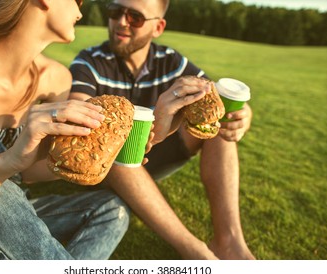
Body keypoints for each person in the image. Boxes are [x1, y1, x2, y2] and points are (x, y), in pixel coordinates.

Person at [0, 0, 130, 260]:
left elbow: (29, 172)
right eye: (78, 1)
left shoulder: (56, 78)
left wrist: (106, 151)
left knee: (111, 209)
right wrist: (9, 160)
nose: (80, 10)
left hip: (13, 208)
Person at [69, 0, 255, 259]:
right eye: (115, 12)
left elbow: (212, 100)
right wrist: (158, 119)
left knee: (216, 124)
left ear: (158, 27)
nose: (121, 21)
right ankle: (195, 250)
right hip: (109, 169)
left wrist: (242, 115)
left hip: (155, 152)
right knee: (116, 145)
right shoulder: (89, 62)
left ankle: (230, 242)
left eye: (135, 17)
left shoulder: (171, 62)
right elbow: (77, 126)